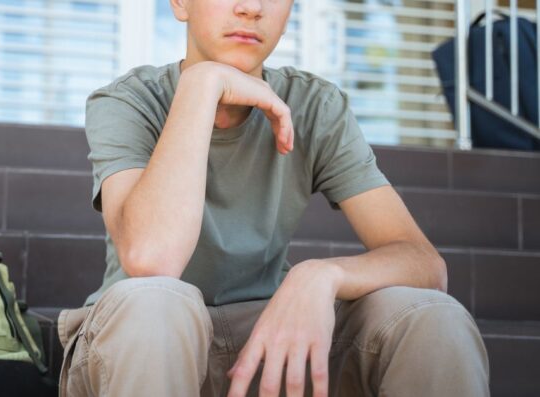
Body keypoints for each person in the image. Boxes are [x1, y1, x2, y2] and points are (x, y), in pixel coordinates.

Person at [57, 0, 490, 396]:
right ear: (180, 3)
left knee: (432, 317)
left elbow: (423, 263)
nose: (252, 8)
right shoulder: (128, 100)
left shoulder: (314, 104)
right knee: (156, 302)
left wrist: (321, 276)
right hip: (143, 341)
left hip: (273, 339)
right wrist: (202, 85)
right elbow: (152, 257)